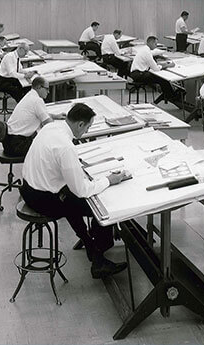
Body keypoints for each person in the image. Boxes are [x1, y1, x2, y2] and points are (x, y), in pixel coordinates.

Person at [20, 103, 128, 279]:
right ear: (80, 124)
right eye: (87, 127)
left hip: (27, 188)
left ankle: (89, 244)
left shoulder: (51, 128)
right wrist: (109, 180)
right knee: (100, 208)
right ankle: (99, 256)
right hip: (42, 199)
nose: (86, 132)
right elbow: (81, 190)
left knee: (69, 198)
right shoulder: (66, 146)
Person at [3, 77, 64, 157]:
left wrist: (56, 116)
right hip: (18, 146)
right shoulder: (37, 100)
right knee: (52, 146)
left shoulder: (30, 96)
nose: (48, 92)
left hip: (9, 142)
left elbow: (40, 113)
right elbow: (49, 124)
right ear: (39, 87)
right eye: (47, 89)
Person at [130, 36, 181, 102]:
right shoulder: (147, 52)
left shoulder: (145, 50)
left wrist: (161, 65)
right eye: (155, 44)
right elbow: (156, 69)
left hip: (137, 73)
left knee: (160, 79)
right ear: (151, 43)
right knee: (163, 79)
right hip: (138, 74)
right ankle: (171, 96)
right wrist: (167, 65)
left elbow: (153, 65)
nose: (156, 46)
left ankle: (168, 95)